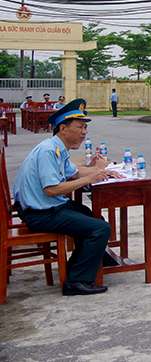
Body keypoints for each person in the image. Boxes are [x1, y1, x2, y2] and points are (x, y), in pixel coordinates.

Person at [13, 99, 121, 296]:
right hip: (41, 212)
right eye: (80, 127)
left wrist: (101, 170)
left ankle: (87, 261)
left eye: (85, 128)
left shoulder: (58, 148)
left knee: (89, 214)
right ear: (63, 128)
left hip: (47, 207)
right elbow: (52, 190)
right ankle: (76, 281)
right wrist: (90, 176)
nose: (84, 132)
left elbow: (73, 173)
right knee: (100, 229)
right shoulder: (49, 151)